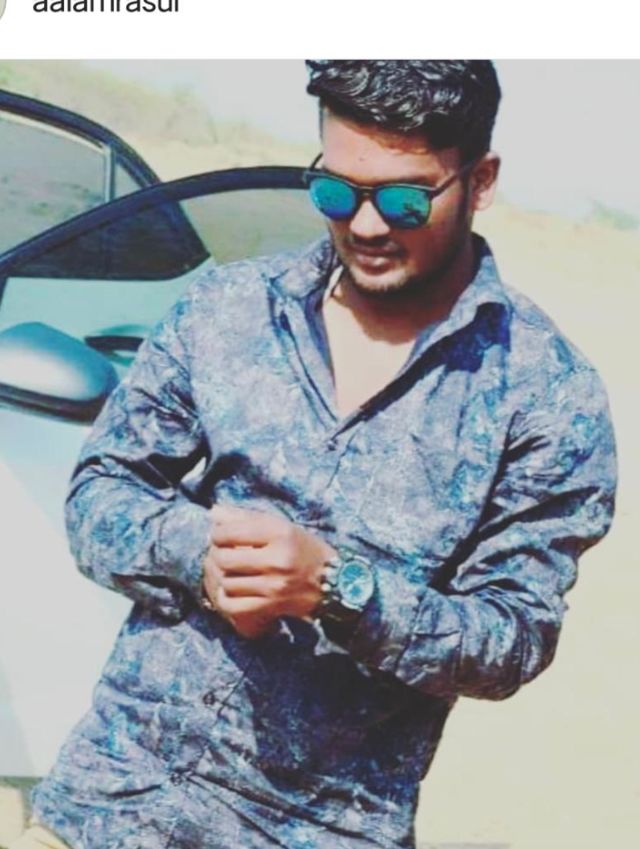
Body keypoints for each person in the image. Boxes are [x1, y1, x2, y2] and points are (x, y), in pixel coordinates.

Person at [16, 60, 616, 849]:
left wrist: (339, 588)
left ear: (481, 181)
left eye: (403, 200)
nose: (365, 225)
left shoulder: (547, 396)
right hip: (112, 802)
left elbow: (511, 640)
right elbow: (99, 493)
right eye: (337, 191)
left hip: (318, 828)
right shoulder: (226, 309)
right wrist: (200, 554)